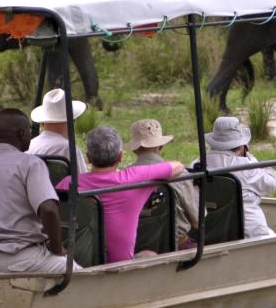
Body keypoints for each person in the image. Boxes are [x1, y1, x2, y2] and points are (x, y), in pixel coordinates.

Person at [0, 108, 76, 274]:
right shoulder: (31, 164)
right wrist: (57, 248)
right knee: (75, 272)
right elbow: (49, 210)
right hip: (20, 259)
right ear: (23, 133)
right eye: (31, 131)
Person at [62, 126, 184, 263]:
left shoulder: (67, 184)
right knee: (149, 254)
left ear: (88, 157)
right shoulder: (134, 178)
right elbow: (178, 167)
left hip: (79, 263)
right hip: (120, 267)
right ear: (120, 156)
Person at [196, 116, 276, 239]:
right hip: (248, 230)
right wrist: (253, 160)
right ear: (240, 148)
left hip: (211, 231)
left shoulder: (197, 164)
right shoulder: (246, 166)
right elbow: (270, 185)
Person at [126, 119, 200, 249]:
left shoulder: (123, 177)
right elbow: (198, 220)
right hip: (175, 245)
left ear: (135, 149)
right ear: (161, 147)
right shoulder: (180, 175)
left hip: (134, 245)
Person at [27, 88, 88, 173]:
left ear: (42, 123)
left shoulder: (29, 147)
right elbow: (82, 180)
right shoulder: (70, 150)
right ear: (72, 121)